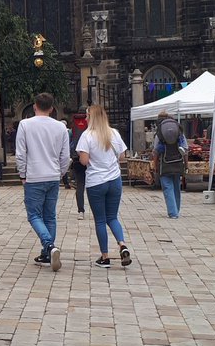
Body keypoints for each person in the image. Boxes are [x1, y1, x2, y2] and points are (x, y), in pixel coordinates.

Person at [15, 92, 70, 270]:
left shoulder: (25, 124)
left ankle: (49, 245)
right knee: (50, 216)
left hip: (34, 175)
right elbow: (65, 155)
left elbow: (21, 153)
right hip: (53, 175)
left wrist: (22, 174)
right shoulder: (60, 127)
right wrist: (61, 173)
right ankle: (47, 253)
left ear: (34, 106)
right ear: (52, 108)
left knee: (34, 215)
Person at [77, 103, 132, 268]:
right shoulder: (113, 133)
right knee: (112, 217)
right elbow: (122, 156)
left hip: (96, 181)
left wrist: (81, 156)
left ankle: (105, 256)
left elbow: (84, 161)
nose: (85, 118)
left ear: (91, 117)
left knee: (100, 220)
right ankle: (122, 244)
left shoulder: (86, 136)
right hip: (114, 179)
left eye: (87, 116)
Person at [151, 109, 187, 218]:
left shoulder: (160, 133)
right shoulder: (179, 132)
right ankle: (176, 209)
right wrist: (186, 164)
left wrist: (155, 164)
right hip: (177, 163)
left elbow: (156, 151)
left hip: (165, 164)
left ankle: (173, 212)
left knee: (167, 188)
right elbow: (185, 149)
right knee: (176, 186)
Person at [71, 111, 88, 219]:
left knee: (80, 185)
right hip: (90, 160)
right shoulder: (90, 131)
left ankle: (80, 211)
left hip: (77, 159)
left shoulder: (72, 128)